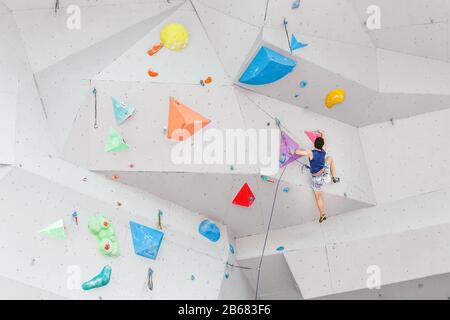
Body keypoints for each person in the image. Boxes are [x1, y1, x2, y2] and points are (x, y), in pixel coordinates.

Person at [295, 131, 340, 223]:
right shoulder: (324, 151)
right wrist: (322, 133)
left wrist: (300, 149)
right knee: (330, 158)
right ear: (322, 145)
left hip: (317, 178)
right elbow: (324, 138)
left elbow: (297, 152)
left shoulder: (311, 152)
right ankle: (334, 177)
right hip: (325, 173)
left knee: (318, 196)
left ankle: (322, 214)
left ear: (314, 143)